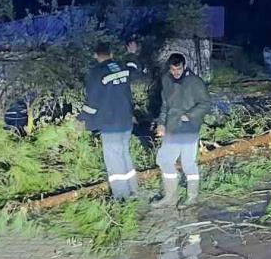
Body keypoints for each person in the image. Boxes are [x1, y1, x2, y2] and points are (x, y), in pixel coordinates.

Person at [79, 42, 139, 199]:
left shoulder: (97, 73)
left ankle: (121, 197)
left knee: (114, 161)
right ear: (111, 54)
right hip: (126, 122)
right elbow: (133, 69)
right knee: (125, 155)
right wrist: (132, 53)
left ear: (95, 55)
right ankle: (133, 190)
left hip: (110, 124)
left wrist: (81, 118)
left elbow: (92, 101)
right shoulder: (120, 66)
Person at [152, 53, 211, 208]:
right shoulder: (166, 80)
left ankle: (192, 197)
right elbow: (165, 105)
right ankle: (170, 196)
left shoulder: (195, 82)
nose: (176, 73)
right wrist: (161, 123)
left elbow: (205, 104)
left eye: (178, 69)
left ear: (184, 66)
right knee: (164, 160)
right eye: (173, 69)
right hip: (172, 126)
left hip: (189, 128)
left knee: (188, 163)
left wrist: (189, 115)